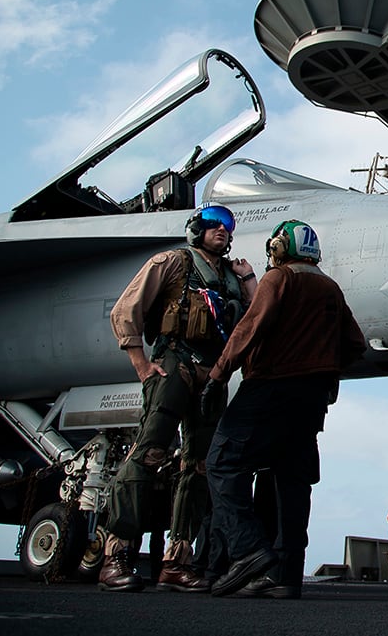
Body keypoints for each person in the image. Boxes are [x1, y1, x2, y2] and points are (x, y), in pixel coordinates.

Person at [204, 220, 366, 599]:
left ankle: (247, 551)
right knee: (292, 482)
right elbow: (355, 344)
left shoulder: (279, 279)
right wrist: (322, 366)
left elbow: (249, 329)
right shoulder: (330, 287)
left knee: (222, 462)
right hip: (312, 400)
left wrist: (216, 375)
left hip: (268, 389)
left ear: (280, 247)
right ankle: (286, 575)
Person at [102, 204, 258, 592]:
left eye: (227, 226)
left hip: (211, 377)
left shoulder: (231, 278)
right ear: (197, 229)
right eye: (214, 224)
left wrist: (249, 277)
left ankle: (177, 563)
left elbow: (254, 322)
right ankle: (116, 554)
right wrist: (141, 365)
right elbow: (126, 311)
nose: (222, 230)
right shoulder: (172, 263)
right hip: (174, 365)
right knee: (148, 453)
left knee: (199, 468)